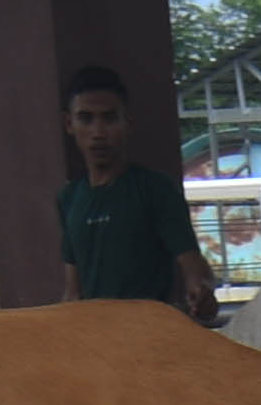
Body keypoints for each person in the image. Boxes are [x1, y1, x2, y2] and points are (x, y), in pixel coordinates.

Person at [51, 65, 219, 318]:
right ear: (69, 124)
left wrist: (202, 292)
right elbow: (73, 293)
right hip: (93, 334)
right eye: (86, 119)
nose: (98, 132)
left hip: (148, 332)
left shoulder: (155, 189)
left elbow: (192, 265)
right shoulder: (69, 198)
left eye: (109, 118)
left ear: (128, 123)